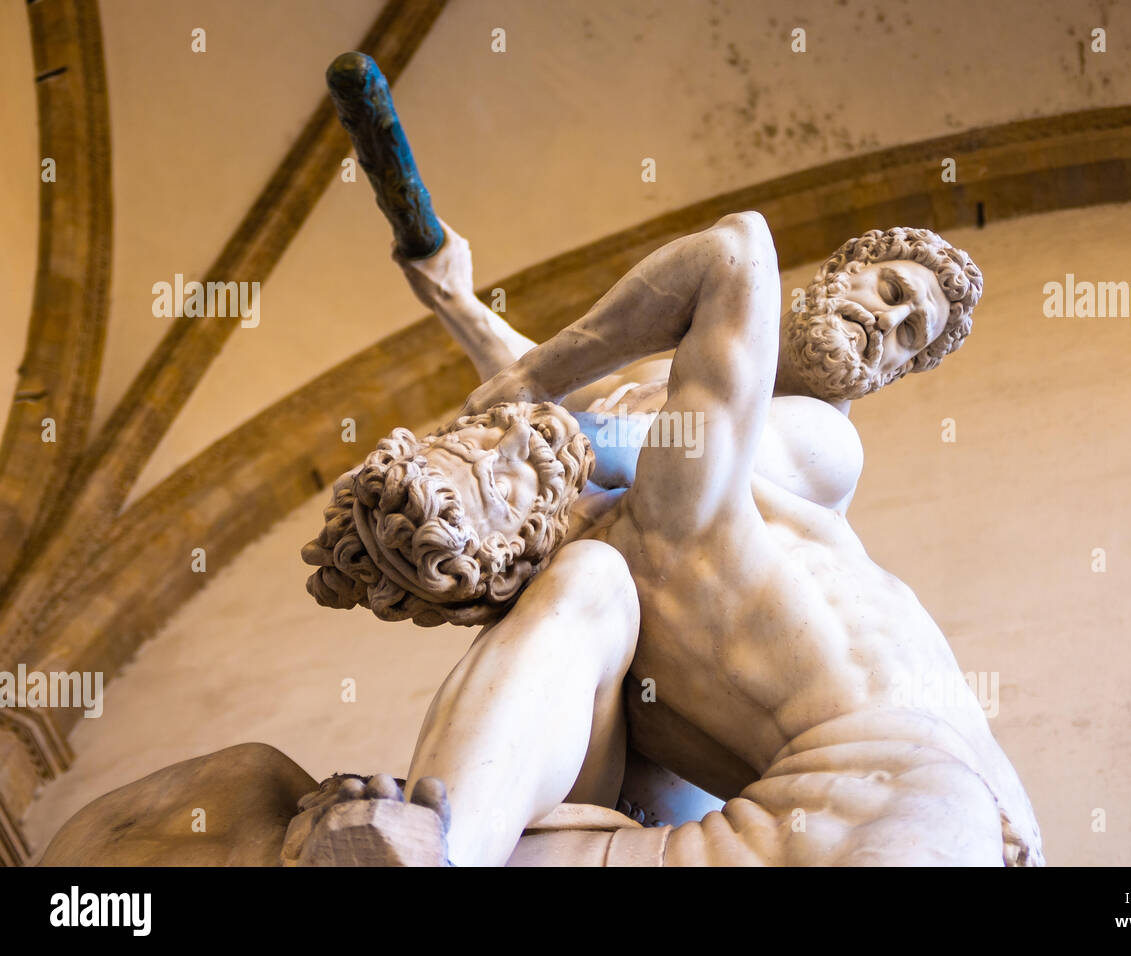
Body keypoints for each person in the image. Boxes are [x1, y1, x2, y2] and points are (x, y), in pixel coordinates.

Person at [298, 210, 1042, 866]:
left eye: (910, 333)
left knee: (589, 561)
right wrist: (458, 300)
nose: (890, 322)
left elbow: (628, 421)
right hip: (643, 760)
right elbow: (556, 387)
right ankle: (442, 836)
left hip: (866, 787)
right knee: (586, 574)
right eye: (891, 291)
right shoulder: (659, 394)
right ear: (838, 276)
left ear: (895, 373)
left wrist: (499, 431)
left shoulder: (820, 442)